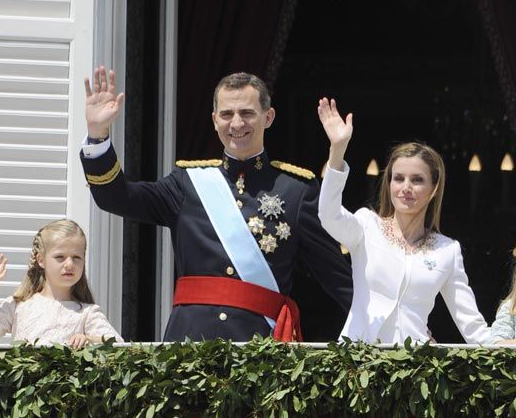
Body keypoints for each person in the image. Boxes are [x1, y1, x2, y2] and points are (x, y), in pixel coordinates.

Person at [79, 67, 352, 342]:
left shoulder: (296, 191)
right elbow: (115, 197)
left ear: (268, 117)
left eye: (247, 113)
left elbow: (337, 278)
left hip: (261, 351)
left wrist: (384, 342)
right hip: (188, 347)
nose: (236, 124)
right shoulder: (186, 184)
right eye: (226, 114)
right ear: (213, 120)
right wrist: (98, 134)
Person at [316, 98, 490, 344]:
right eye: (398, 178)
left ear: (433, 188)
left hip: (415, 368)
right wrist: (337, 150)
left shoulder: (447, 251)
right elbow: (328, 214)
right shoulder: (367, 226)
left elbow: (473, 327)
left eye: (417, 180)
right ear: (389, 184)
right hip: (357, 364)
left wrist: (515, 346)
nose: (406, 188)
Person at [0, 220, 123, 347]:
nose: (70, 264)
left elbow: (119, 348)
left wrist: (89, 340)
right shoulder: (18, 307)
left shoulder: (88, 313)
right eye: (60, 257)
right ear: (41, 260)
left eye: (77, 257)